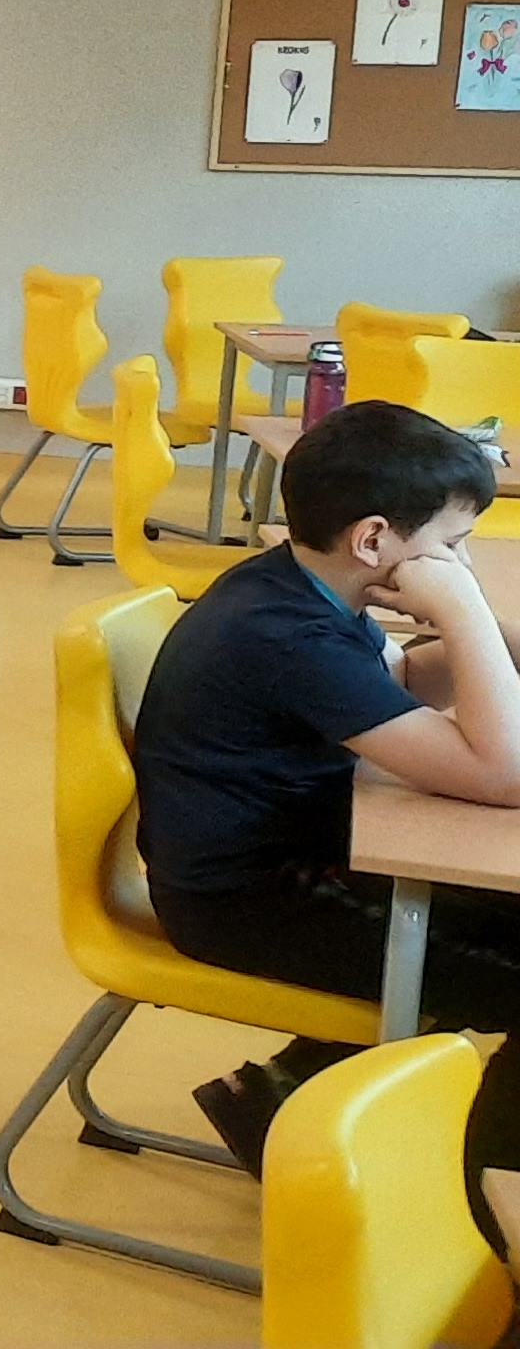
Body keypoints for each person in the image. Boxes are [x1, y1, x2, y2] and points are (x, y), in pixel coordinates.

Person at [130, 402, 520, 1197]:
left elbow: (394, 684)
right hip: (251, 901)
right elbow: (502, 775)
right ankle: (485, 1209)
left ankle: (280, 1096)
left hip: (295, 856)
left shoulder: (295, 588)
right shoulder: (286, 636)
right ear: (373, 540)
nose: (461, 565)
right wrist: (464, 610)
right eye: (451, 546)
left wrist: (496, 641)